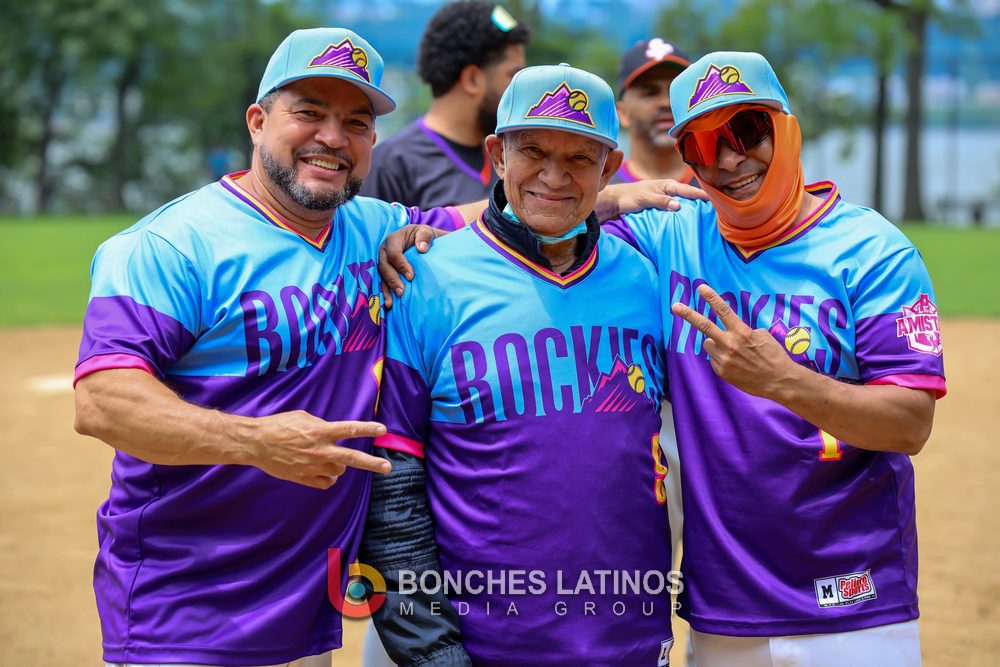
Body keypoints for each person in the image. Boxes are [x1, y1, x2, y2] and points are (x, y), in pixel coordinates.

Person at [73, 27, 479, 667]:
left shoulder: (373, 226)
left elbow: (493, 222)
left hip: (307, 608)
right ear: (258, 122)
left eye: (356, 122)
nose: (333, 138)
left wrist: (612, 196)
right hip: (188, 610)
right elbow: (102, 401)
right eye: (309, 113)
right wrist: (256, 441)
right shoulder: (170, 246)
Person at [604, 51, 945, 666]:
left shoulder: (871, 250)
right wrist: (611, 196)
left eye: (746, 130)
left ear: (785, 127)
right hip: (723, 608)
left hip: (853, 599)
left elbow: (910, 424)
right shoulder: (668, 236)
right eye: (703, 145)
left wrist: (785, 381)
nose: (730, 159)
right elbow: (535, 224)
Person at [361, 64, 691, 666]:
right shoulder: (425, 279)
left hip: (631, 640)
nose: (554, 176)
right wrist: (433, 653)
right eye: (533, 151)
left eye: (580, 158)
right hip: (482, 645)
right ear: (496, 155)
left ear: (610, 169)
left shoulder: (647, 278)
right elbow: (391, 480)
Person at [359, 1, 530, 208]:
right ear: (472, 80)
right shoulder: (390, 167)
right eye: (513, 76)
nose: (520, 91)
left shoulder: (508, 158)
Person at [612, 38, 697, 187]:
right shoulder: (598, 192)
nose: (667, 103)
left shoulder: (723, 183)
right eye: (651, 93)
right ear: (623, 113)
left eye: (677, 91)